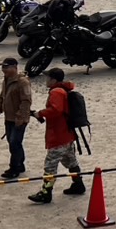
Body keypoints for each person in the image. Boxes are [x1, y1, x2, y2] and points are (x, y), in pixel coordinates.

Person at [28, 68, 84, 204]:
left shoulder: (56, 92)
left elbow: (56, 110)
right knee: (71, 161)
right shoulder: (63, 90)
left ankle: (46, 192)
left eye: (47, 78)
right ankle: (78, 184)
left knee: (50, 166)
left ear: (53, 80)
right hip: (67, 134)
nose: (46, 80)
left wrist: (40, 113)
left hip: (58, 135)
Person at [0, 57, 34, 178]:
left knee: (14, 143)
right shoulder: (6, 80)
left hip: (19, 119)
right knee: (13, 142)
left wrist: (20, 117)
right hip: (9, 118)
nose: (3, 70)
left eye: (6, 67)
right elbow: (2, 97)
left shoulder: (22, 82)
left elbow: (26, 101)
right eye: (3, 67)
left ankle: (14, 167)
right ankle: (20, 164)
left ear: (15, 67)